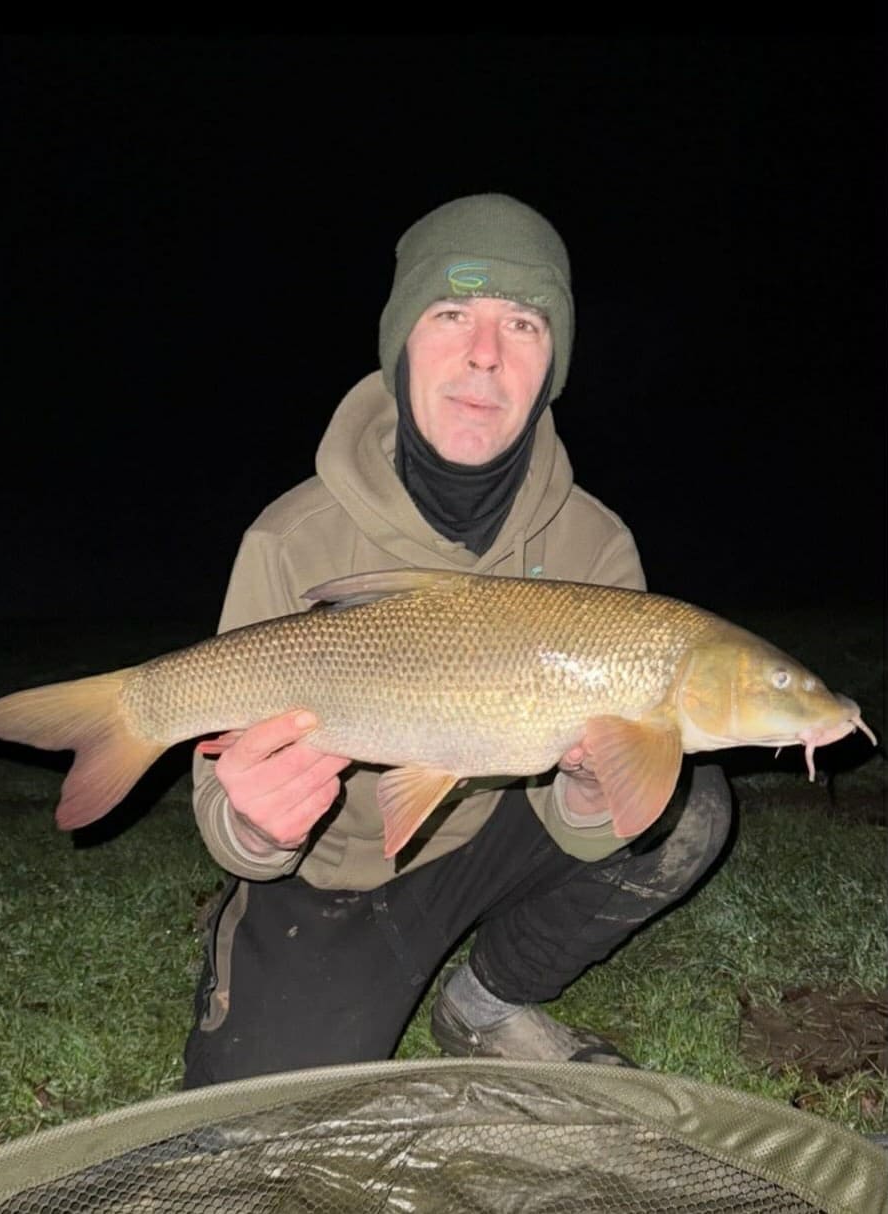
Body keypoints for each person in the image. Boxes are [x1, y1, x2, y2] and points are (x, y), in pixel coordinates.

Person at [182, 193, 731, 1087]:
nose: (485, 353)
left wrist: (593, 791)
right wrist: (252, 826)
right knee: (258, 1115)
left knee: (687, 804)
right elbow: (222, 805)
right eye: (451, 315)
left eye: (522, 323)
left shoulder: (595, 545)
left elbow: (584, 825)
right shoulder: (290, 541)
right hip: (338, 873)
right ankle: (251, 953)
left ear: (551, 363)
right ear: (402, 342)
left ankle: (486, 1002)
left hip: (490, 827)